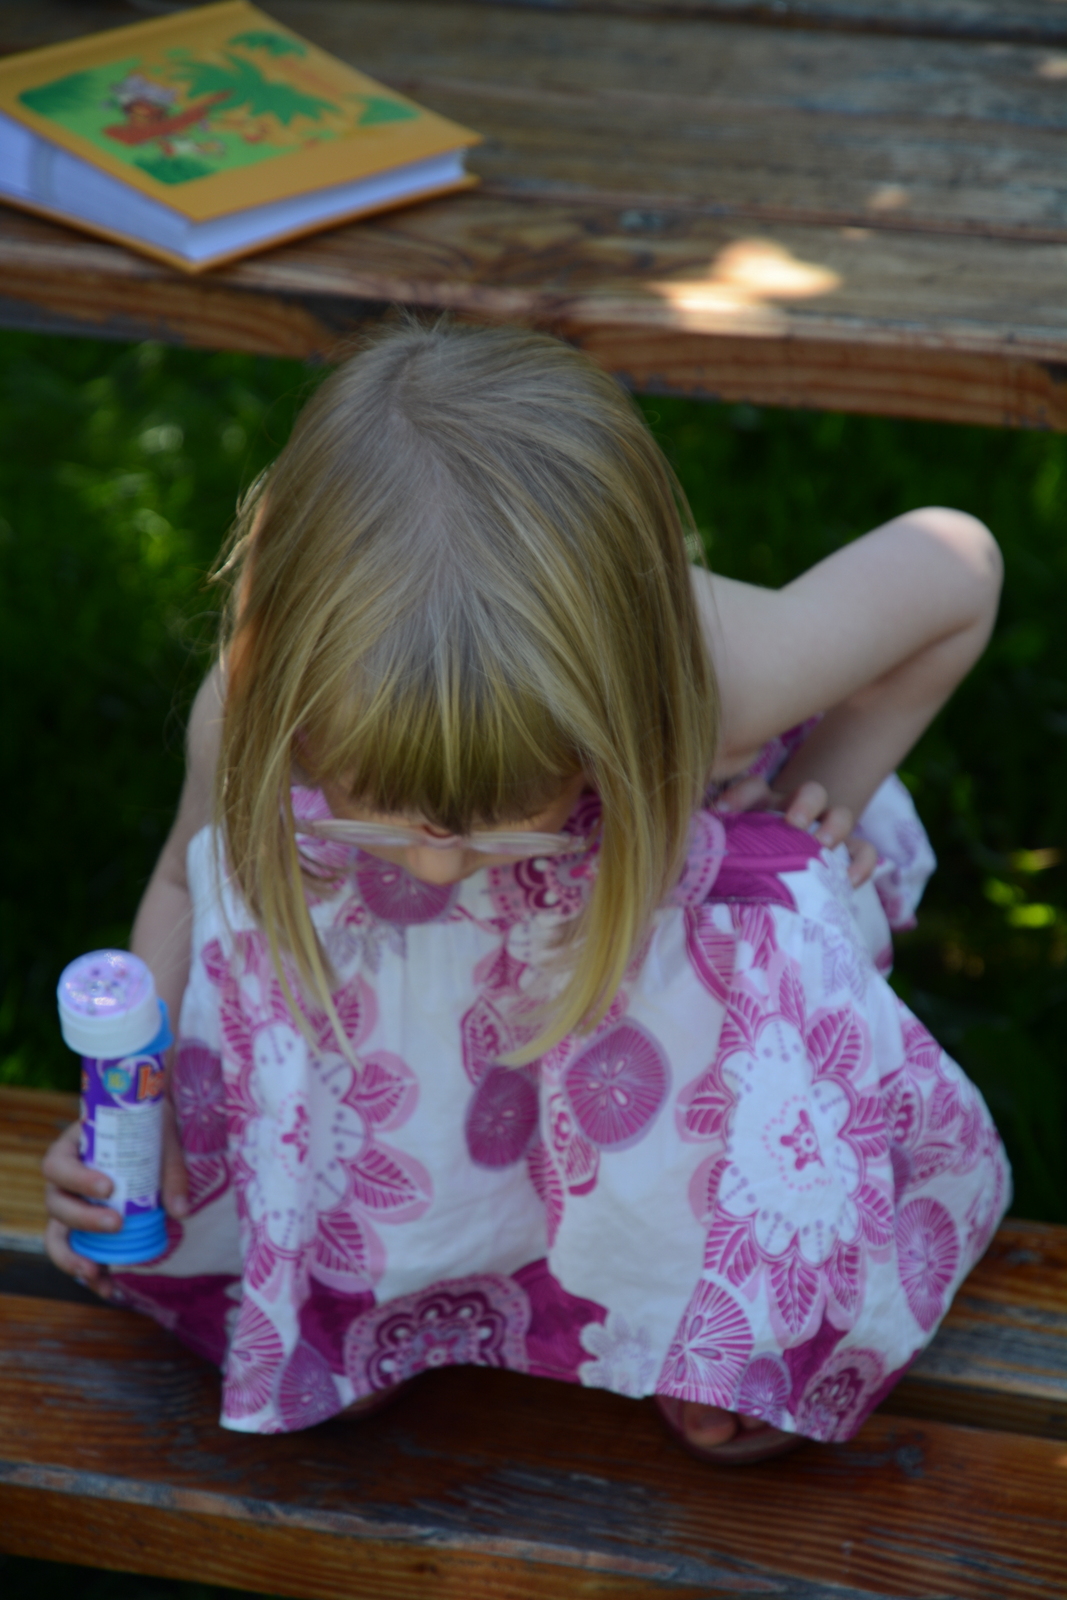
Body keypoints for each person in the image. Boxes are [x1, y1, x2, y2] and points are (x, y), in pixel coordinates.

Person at [43, 319, 1009, 1463]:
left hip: (645, 992)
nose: (435, 867)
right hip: (401, 1036)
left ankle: (709, 1305)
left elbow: (956, 566)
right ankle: (368, 1296)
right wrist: (136, 1110)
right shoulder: (258, 705)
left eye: (501, 827)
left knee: (724, 1022)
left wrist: (819, 796)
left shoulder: (715, 683)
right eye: (376, 821)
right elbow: (181, 873)